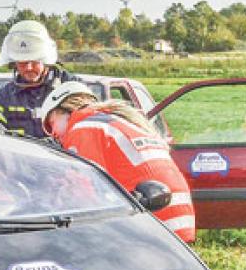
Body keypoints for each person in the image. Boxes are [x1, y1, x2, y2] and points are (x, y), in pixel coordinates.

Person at [40, 81, 196, 242]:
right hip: (176, 222)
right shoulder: (120, 123)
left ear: (65, 110)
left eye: (51, 124)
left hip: (153, 224)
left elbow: (88, 194)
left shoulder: (84, 128)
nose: (53, 134)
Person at [0, 20, 77, 138]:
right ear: (14, 64)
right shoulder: (5, 96)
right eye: (22, 62)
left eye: (34, 61)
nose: (29, 68)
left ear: (45, 60)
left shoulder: (70, 87)